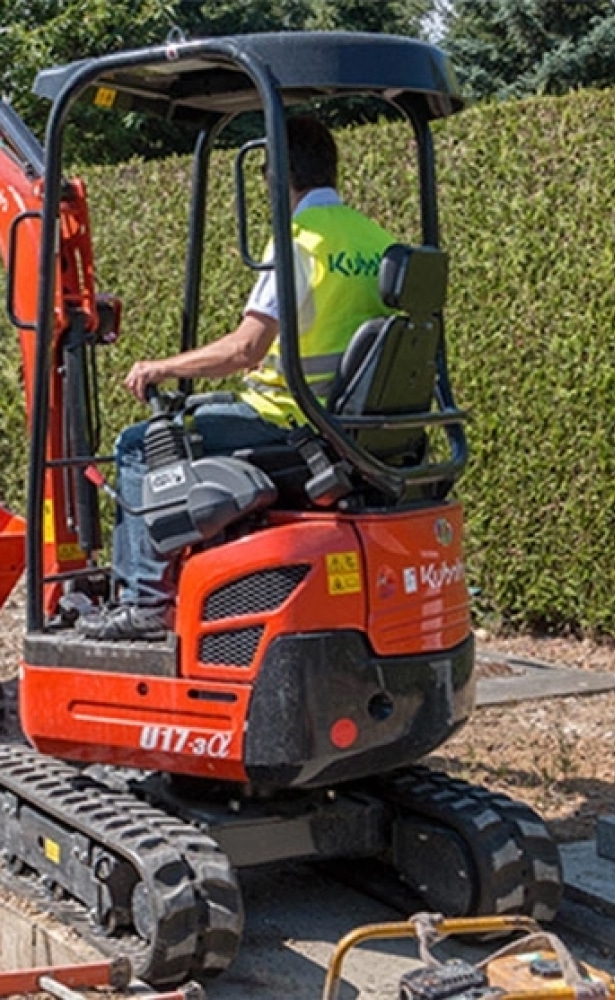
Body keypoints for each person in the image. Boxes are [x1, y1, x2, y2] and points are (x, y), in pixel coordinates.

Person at [77, 115, 395, 642]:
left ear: (276, 177)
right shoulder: (375, 241)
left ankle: (144, 604)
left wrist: (163, 366)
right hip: (346, 426)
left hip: (289, 424)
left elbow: (246, 349)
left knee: (137, 445)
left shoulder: (297, 242)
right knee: (198, 415)